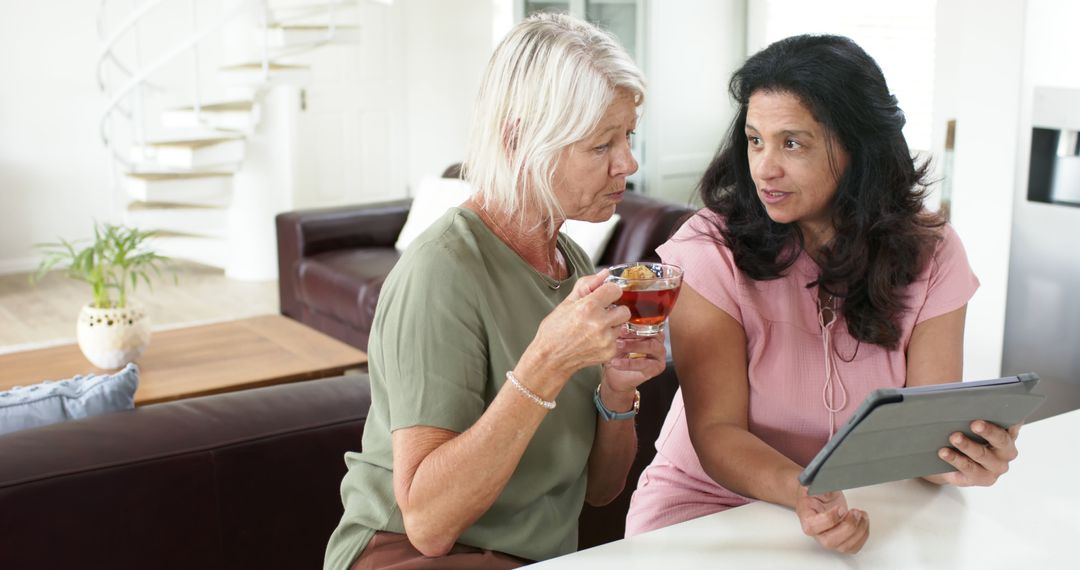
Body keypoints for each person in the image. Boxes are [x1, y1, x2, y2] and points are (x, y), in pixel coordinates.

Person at [625, 34, 1020, 554]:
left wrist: (964, 460)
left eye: (793, 142)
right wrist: (807, 493)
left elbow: (922, 435)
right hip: (705, 507)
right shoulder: (709, 247)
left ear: (858, 149)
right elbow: (717, 431)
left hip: (863, 507)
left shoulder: (934, 252)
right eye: (755, 139)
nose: (764, 167)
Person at [324, 13, 666, 570]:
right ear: (519, 138)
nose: (628, 162)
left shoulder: (573, 266)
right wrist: (545, 364)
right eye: (602, 143)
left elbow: (601, 490)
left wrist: (618, 391)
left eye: (628, 136)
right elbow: (429, 527)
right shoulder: (442, 272)